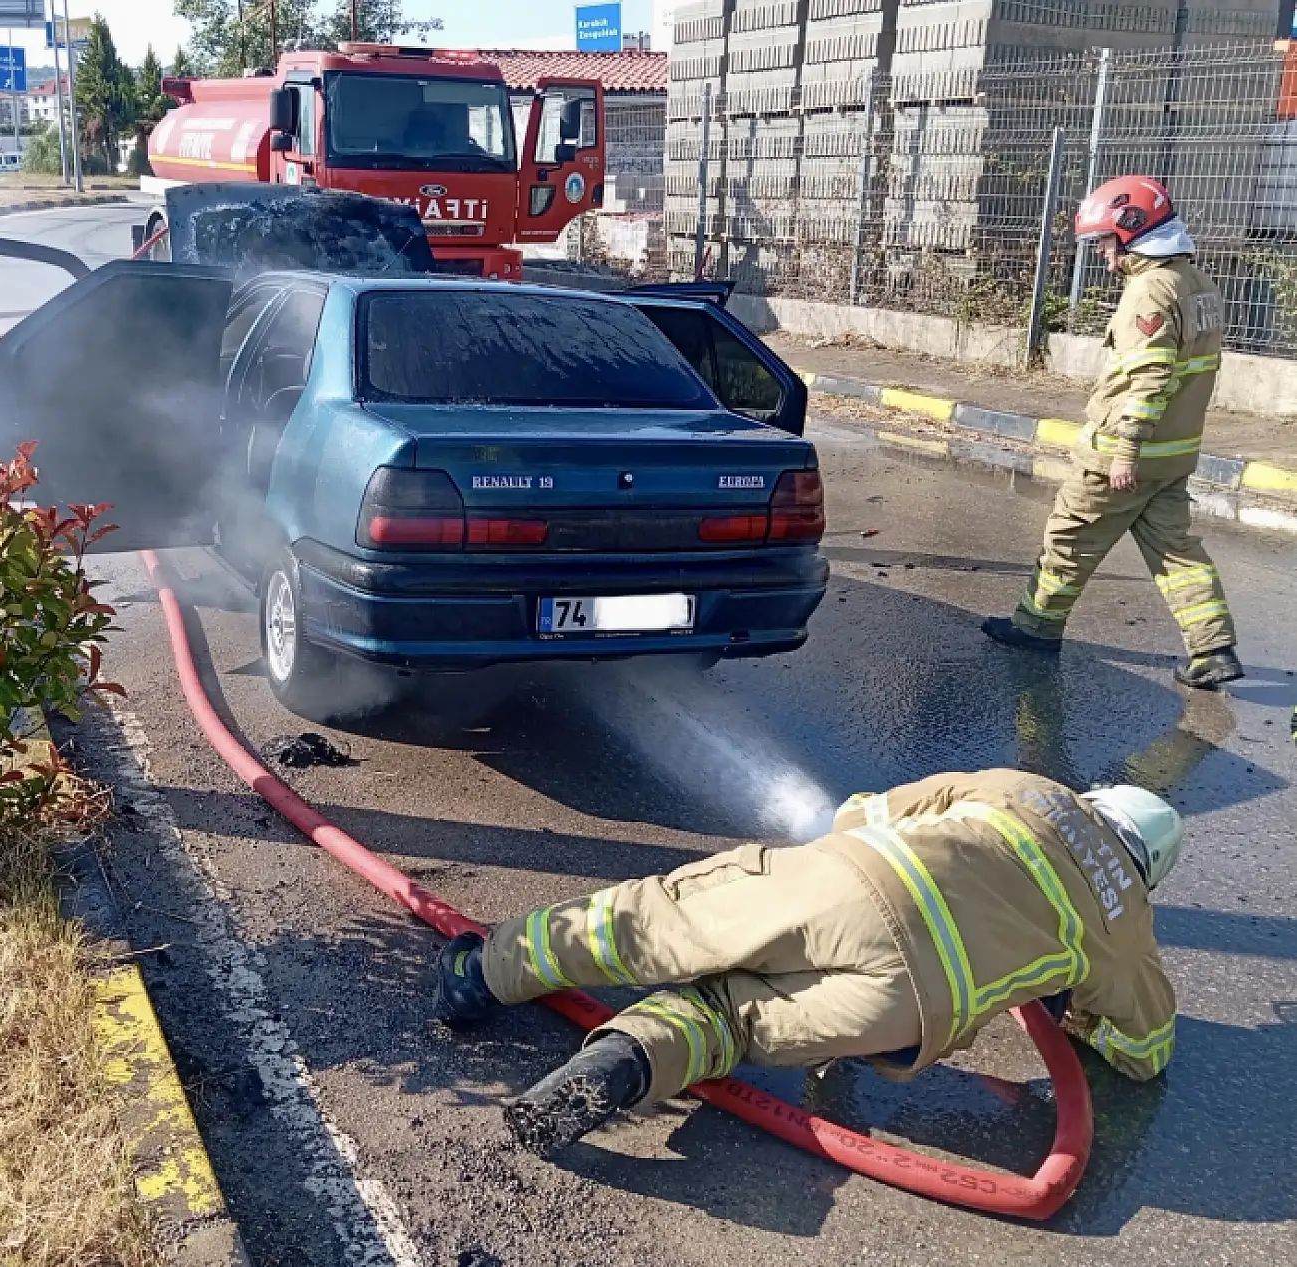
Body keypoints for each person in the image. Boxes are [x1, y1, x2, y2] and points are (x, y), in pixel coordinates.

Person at [435, 770, 1180, 1157]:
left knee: (645, 924)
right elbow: (1146, 1048)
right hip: (910, 1007)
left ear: (1100, 802)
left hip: (849, 887)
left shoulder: (1034, 792)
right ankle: (624, 1063)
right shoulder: (1126, 922)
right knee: (727, 1020)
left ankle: (481, 975)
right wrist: (1070, 1005)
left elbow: (865, 813)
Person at [983, 175, 1241, 690]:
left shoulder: (1149, 290)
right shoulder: (1198, 283)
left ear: (1132, 231)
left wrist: (1126, 450)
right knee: (1176, 551)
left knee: (1068, 538)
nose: (1102, 256)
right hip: (1174, 457)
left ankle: (1035, 627)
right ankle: (1213, 648)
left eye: (1104, 243)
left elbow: (1151, 378)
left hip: (1122, 458)